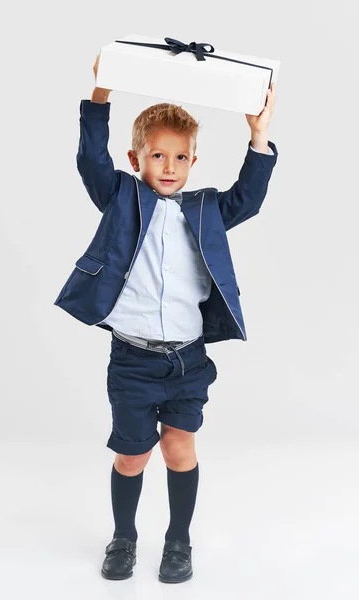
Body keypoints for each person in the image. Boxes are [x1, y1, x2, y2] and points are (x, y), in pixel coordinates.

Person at [54, 51, 278, 583]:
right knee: (133, 458)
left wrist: (259, 136)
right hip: (132, 362)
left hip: (186, 361)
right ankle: (124, 538)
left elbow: (248, 198)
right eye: (158, 157)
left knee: (180, 450)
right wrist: (101, 96)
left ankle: (178, 540)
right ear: (138, 160)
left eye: (180, 159)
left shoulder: (204, 209)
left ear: (193, 164)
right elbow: (91, 163)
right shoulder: (122, 197)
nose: (169, 168)